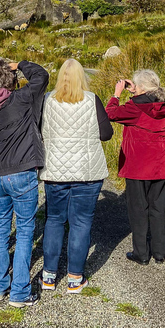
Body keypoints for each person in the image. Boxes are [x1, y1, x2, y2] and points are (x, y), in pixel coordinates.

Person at [39, 58, 113, 294]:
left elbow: (38, 130)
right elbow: (106, 134)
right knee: (81, 223)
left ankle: (48, 276)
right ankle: (75, 278)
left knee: (54, 220)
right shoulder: (92, 100)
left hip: (55, 170)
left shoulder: (47, 100)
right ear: (82, 77)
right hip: (86, 171)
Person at [0, 59, 49, 308]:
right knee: (24, 231)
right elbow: (41, 76)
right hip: (21, 171)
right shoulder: (20, 99)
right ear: (9, 80)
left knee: (0, 230)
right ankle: (20, 292)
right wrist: (20, 64)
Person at [106, 70, 165, 265]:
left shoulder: (134, 107)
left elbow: (110, 113)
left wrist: (117, 94)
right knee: (157, 208)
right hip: (160, 164)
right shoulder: (163, 104)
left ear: (141, 88)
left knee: (138, 209)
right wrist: (135, 90)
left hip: (138, 165)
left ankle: (141, 253)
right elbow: (146, 100)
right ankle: (160, 252)